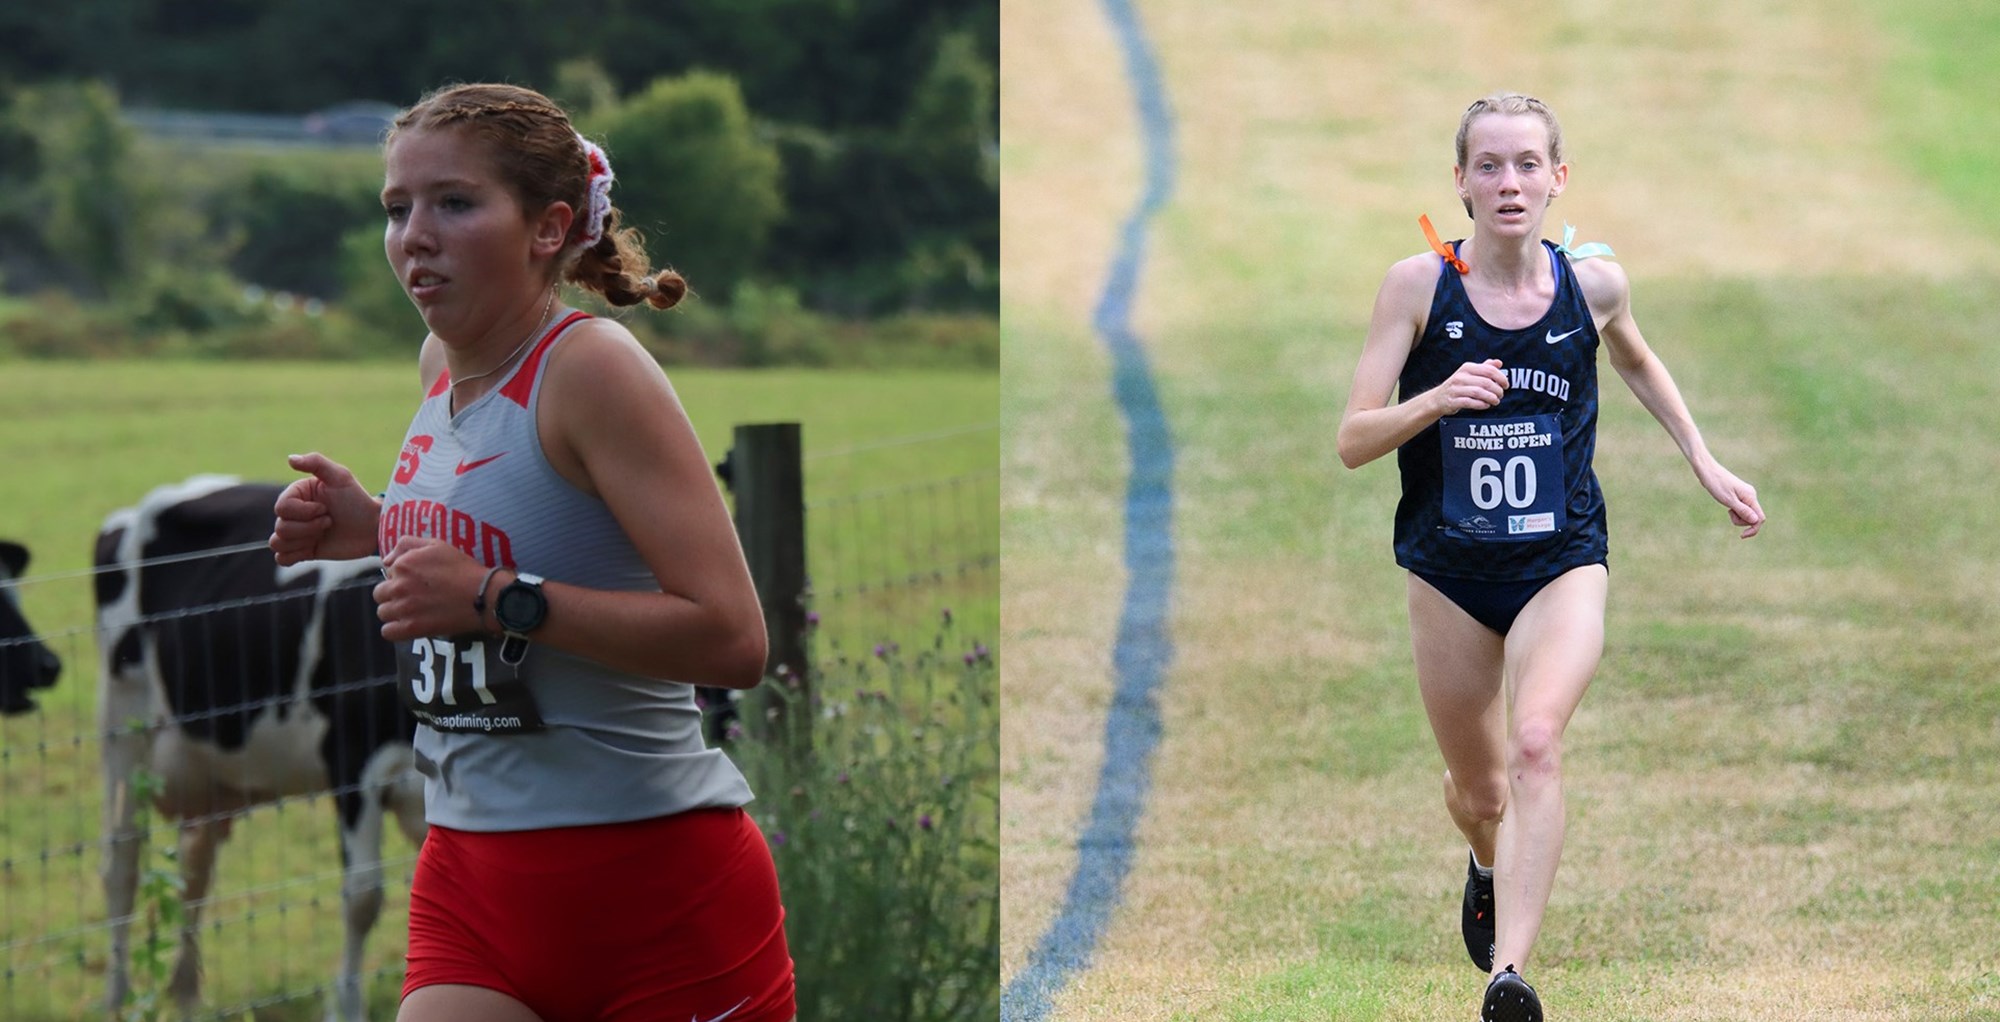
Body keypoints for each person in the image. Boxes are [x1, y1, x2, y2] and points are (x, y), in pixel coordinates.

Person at [269, 82, 796, 1022]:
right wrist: (376, 527)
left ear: (548, 228)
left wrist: (499, 602)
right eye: (398, 209)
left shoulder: (593, 370)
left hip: (657, 891)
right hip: (469, 876)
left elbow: (733, 642)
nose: (413, 237)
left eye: (454, 203)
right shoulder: (442, 367)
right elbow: (515, 528)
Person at [1335, 92, 1763, 1022]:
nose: (1510, 183)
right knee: (1481, 788)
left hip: (1561, 559)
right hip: (1448, 569)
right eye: (1488, 166)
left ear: (1558, 177)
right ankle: (1483, 861)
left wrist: (1704, 458)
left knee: (1536, 744)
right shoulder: (1416, 287)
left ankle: (1509, 977)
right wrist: (1436, 400)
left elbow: (1637, 360)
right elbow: (1353, 439)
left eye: (1528, 164)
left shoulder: (1592, 285)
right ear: (1460, 183)